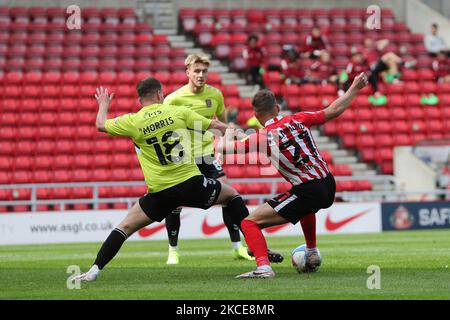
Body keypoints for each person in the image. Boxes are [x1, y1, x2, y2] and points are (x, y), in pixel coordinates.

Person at [74, 78, 256, 282]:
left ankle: (94, 270)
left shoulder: (133, 121)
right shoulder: (177, 112)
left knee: (125, 227)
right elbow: (214, 124)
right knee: (231, 195)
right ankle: (259, 252)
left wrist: (104, 105)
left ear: (140, 99)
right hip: (190, 183)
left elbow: (100, 125)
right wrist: (240, 134)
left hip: (160, 192)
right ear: (160, 94)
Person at [218, 72, 369, 278]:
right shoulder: (299, 119)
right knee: (307, 207)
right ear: (277, 109)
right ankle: (311, 251)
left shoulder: (262, 137)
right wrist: (355, 87)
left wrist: (225, 129)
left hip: (308, 189)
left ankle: (263, 268)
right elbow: (333, 110)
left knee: (249, 223)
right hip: (328, 183)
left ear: (256, 116)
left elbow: (227, 149)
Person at [162, 53, 254, 264]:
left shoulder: (216, 95)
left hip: (207, 155)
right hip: (183, 158)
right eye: (197, 71)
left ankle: (237, 247)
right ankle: (173, 250)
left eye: (204, 71)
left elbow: (222, 125)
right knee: (175, 204)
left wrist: (221, 146)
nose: (201, 75)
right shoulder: (174, 99)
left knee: (230, 197)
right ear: (188, 72)